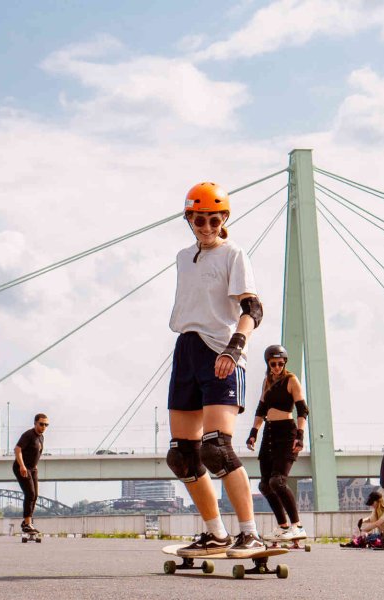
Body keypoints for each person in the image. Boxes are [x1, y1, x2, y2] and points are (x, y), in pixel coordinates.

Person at [166, 181, 265, 558]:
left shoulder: (234, 254)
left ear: (224, 219)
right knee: (183, 455)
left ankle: (251, 533)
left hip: (219, 352)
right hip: (186, 349)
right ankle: (215, 534)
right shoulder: (182, 256)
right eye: (198, 220)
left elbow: (252, 309)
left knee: (217, 450)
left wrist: (235, 346)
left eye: (212, 220)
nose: (205, 227)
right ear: (188, 218)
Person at [246, 344, 307, 542]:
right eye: (273, 363)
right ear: (268, 363)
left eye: (281, 363)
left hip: (287, 433)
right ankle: (282, 527)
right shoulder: (267, 381)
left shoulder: (291, 380)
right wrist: (253, 432)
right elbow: (261, 409)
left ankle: (297, 526)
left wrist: (300, 435)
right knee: (265, 485)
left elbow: (302, 409)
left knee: (277, 481)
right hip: (269, 433)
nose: (277, 367)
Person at [14, 414, 48, 534]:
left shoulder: (41, 437)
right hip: (22, 467)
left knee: (35, 495)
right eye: (41, 424)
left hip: (33, 469)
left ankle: (26, 522)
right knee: (30, 493)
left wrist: (35, 466)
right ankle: (28, 523)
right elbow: (17, 449)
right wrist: (22, 466)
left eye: (46, 424)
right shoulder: (28, 435)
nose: (44, 426)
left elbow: (36, 453)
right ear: (35, 423)